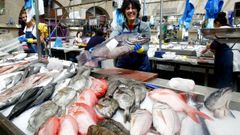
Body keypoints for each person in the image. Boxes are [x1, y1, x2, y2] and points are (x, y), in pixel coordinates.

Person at [110, 0, 151, 72]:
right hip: (123, 65)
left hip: (141, 66)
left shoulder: (144, 26)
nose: (130, 11)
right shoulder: (119, 27)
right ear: (124, 11)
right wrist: (101, 48)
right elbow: (111, 41)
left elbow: (146, 46)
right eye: (128, 8)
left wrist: (141, 49)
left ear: (137, 10)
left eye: (133, 8)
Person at [201, 12, 233, 88]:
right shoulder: (230, 29)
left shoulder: (221, 30)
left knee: (222, 81)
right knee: (227, 80)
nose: (214, 27)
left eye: (214, 25)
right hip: (230, 58)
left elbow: (214, 45)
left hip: (224, 59)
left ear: (218, 23)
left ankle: (221, 96)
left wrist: (208, 47)